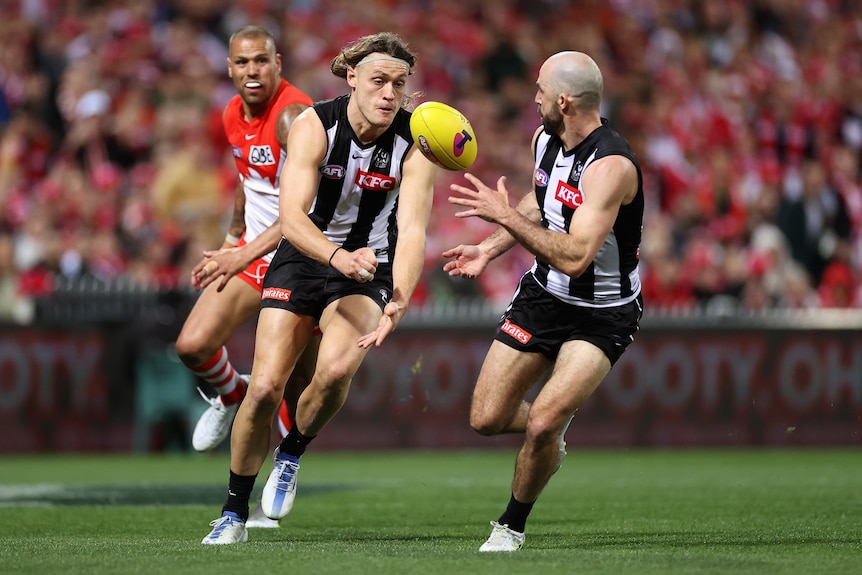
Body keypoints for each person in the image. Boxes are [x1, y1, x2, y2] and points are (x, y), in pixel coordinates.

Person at [201, 32, 438, 545]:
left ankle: (290, 454)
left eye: (398, 84)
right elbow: (290, 218)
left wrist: (400, 296)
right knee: (263, 388)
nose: (388, 94)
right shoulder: (314, 125)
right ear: (352, 78)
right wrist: (335, 256)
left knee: (332, 374)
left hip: (367, 270)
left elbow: (414, 229)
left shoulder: (414, 143)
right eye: (378, 81)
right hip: (304, 258)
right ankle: (233, 513)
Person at [442, 51, 644, 552]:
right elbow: (542, 200)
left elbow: (576, 257)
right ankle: (548, 438)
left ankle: (510, 526)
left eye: (538, 91)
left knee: (542, 420)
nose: (532, 99)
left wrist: (503, 217)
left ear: (563, 100)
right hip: (542, 297)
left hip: (602, 313)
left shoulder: (611, 167)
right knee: (485, 418)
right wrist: (488, 249)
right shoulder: (545, 141)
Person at [173, 26, 315, 527]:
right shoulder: (232, 112)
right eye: (242, 63)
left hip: (300, 259)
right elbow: (246, 180)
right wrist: (233, 240)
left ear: (278, 63)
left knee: (291, 390)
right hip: (253, 254)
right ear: (230, 68)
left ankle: (277, 481)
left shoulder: (295, 117)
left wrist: (241, 253)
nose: (252, 71)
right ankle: (232, 394)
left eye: (261, 61)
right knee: (192, 346)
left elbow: (305, 210)